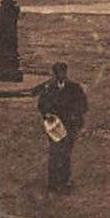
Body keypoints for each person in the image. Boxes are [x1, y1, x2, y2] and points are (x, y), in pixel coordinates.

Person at [35, 61, 88, 192]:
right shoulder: (49, 88)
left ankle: (64, 181)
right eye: (58, 73)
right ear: (55, 74)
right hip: (55, 126)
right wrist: (47, 114)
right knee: (54, 152)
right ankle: (53, 182)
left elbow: (83, 105)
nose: (61, 75)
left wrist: (75, 116)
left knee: (65, 153)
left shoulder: (74, 88)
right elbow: (42, 104)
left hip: (69, 125)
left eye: (63, 73)